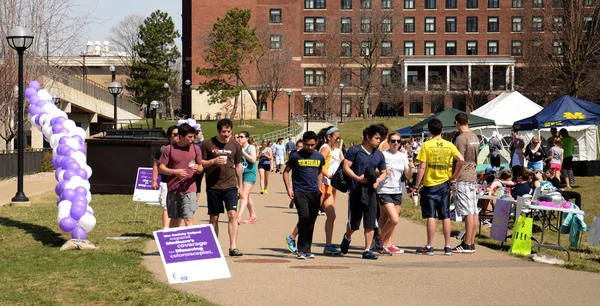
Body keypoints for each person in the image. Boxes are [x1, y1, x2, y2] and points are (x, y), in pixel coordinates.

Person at [414, 118, 464, 256]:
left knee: (431, 215)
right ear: (441, 130)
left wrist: (416, 185)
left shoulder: (426, 145)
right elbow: (461, 160)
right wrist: (455, 176)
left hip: (430, 184)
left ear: (429, 131)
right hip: (444, 184)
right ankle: (447, 246)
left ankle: (429, 246)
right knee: (445, 215)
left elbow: (422, 167)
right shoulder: (449, 145)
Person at [340, 124, 388, 260]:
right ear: (368, 137)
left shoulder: (379, 155)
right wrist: (357, 178)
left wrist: (378, 181)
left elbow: (384, 172)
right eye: (377, 138)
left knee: (370, 222)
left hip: (371, 192)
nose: (379, 141)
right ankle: (347, 236)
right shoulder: (354, 150)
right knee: (354, 224)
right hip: (356, 190)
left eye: (380, 139)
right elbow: (346, 167)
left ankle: (367, 250)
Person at [200, 119, 244, 257]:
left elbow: (238, 166)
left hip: (230, 185)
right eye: (223, 132)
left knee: (232, 215)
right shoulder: (208, 143)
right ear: (218, 131)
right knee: (214, 217)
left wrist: (240, 186)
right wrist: (213, 161)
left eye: (229, 131)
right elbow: (200, 163)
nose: (226, 134)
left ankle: (233, 247)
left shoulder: (236, 145)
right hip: (213, 185)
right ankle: (214, 247)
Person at [283, 131, 325, 259]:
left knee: (311, 221)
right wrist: (289, 189)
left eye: (312, 145)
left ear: (316, 143)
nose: (310, 148)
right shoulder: (296, 156)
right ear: (303, 142)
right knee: (304, 218)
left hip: (314, 192)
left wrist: (319, 188)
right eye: (307, 145)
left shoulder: (319, 157)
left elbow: (320, 172)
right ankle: (301, 249)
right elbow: (286, 172)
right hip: (300, 191)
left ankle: (307, 249)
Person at [158, 123, 203, 228]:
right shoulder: (169, 149)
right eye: (190, 137)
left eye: (193, 136)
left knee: (188, 218)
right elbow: (161, 168)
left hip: (190, 189)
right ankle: (175, 242)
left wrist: (198, 169)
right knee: (175, 219)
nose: (192, 139)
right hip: (174, 189)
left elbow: (201, 167)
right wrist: (174, 172)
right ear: (181, 137)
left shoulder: (196, 149)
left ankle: (190, 242)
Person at [375, 132, 413, 255]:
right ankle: (379, 240)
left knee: (385, 218)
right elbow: (374, 170)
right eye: (393, 141)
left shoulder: (403, 156)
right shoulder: (382, 155)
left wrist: (411, 168)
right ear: (389, 142)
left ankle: (386, 243)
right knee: (394, 219)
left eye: (398, 141)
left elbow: (408, 176)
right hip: (384, 190)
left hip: (397, 190)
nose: (395, 143)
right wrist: (384, 171)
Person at [451, 113, 479, 254]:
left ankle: (467, 243)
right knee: (473, 211)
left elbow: (459, 160)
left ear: (456, 123)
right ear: (468, 121)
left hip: (463, 176)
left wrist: (454, 176)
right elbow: (477, 159)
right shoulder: (475, 137)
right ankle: (471, 242)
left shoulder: (460, 139)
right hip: (472, 174)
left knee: (468, 212)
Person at [316, 126, 344, 255]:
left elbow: (344, 164)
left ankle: (328, 245)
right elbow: (319, 165)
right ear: (328, 137)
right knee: (310, 215)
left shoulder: (336, 150)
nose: (337, 140)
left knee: (331, 216)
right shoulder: (325, 148)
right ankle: (292, 237)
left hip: (330, 186)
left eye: (339, 138)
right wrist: (329, 176)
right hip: (322, 184)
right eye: (336, 138)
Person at [152, 125, 179, 229]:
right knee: (166, 207)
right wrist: (154, 180)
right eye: (175, 135)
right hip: (166, 182)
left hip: (179, 183)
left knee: (178, 209)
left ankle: (175, 230)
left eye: (179, 135)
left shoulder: (185, 149)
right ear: (169, 136)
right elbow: (155, 165)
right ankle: (166, 230)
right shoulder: (163, 149)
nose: (178, 137)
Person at [237, 131, 258, 224]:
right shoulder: (238, 147)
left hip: (250, 174)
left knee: (243, 195)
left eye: (241, 137)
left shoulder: (251, 147)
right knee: (248, 196)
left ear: (247, 138)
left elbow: (253, 159)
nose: (239, 138)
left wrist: (243, 152)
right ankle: (253, 216)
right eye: (238, 137)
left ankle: (238, 216)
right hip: (242, 175)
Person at [193, 128, 204, 204]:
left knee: (198, 183)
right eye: (200, 134)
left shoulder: (203, 144)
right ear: (196, 135)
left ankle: (196, 201)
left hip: (200, 166)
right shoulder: (191, 144)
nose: (202, 135)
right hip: (191, 166)